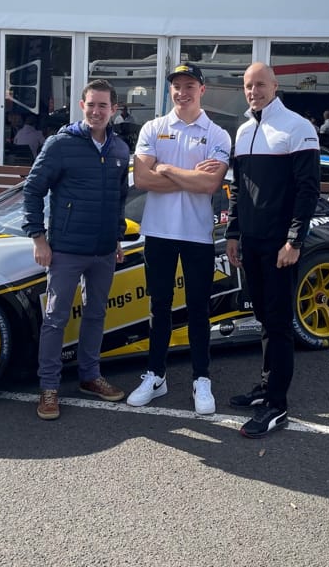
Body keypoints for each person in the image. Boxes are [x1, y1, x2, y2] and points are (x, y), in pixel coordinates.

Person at [21, 79, 131, 420]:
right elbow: (32, 190)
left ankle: (90, 376)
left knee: (96, 315)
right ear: (81, 106)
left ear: (114, 110)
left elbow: (118, 201)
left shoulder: (120, 150)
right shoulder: (60, 145)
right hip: (66, 250)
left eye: (103, 106)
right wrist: (38, 238)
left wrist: (115, 239)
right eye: (91, 105)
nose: (97, 111)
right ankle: (49, 387)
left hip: (102, 251)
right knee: (55, 319)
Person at [126, 62, 232, 415]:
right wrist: (189, 176)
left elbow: (210, 184)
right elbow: (142, 179)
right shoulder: (154, 128)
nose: (182, 92)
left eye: (189, 85)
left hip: (197, 235)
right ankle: (156, 375)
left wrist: (167, 168)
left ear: (202, 90)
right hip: (157, 232)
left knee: (199, 309)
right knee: (159, 307)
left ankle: (202, 379)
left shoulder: (217, 134)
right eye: (176, 86)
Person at [225, 63, 320, 438]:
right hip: (251, 242)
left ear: (275, 86)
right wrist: (233, 233)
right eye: (248, 86)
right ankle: (266, 386)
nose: (254, 91)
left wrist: (294, 240)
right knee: (264, 317)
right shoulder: (245, 129)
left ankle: (277, 405)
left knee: (279, 323)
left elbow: (308, 190)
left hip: (281, 244)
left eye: (260, 84)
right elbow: (237, 190)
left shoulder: (297, 127)